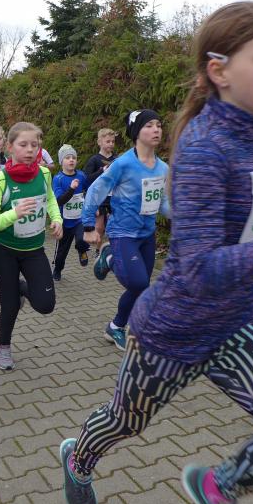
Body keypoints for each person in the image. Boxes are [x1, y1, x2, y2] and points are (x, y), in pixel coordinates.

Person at [60, 1, 253, 504]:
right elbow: (202, 271)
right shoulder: (203, 148)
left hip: (235, 327)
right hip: (172, 332)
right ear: (220, 71)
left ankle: (216, 486)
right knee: (124, 422)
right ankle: (78, 459)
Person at [81, 109, 170, 351]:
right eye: (149, 125)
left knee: (140, 287)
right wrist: (88, 225)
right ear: (136, 132)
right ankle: (109, 257)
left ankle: (116, 326)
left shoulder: (163, 168)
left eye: (158, 125)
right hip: (123, 234)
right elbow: (95, 191)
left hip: (147, 234)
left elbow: (162, 203)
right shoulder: (122, 164)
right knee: (139, 282)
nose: (156, 129)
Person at [0, 122, 63, 371]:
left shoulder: (44, 173)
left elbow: (50, 198)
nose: (30, 150)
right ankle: (4, 347)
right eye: (23, 144)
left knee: (45, 304)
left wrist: (57, 219)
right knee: (9, 307)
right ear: (10, 147)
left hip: (33, 250)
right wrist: (14, 214)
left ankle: (20, 288)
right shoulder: (0, 179)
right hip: (4, 251)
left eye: (34, 145)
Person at [51, 144, 90, 281]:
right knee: (62, 252)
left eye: (74, 157)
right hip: (65, 221)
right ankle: (58, 269)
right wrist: (72, 189)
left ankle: (82, 250)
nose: (71, 160)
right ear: (61, 161)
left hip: (79, 219)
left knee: (82, 239)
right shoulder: (58, 179)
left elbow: (90, 189)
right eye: (67, 157)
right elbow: (60, 201)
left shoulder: (81, 175)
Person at [83, 128, 118, 256]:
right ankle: (98, 251)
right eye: (108, 141)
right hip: (99, 198)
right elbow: (87, 179)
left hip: (114, 197)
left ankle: (113, 250)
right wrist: (101, 171)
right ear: (99, 142)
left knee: (115, 225)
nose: (111, 144)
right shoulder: (94, 159)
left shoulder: (117, 159)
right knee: (99, 227)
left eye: (113, 141)